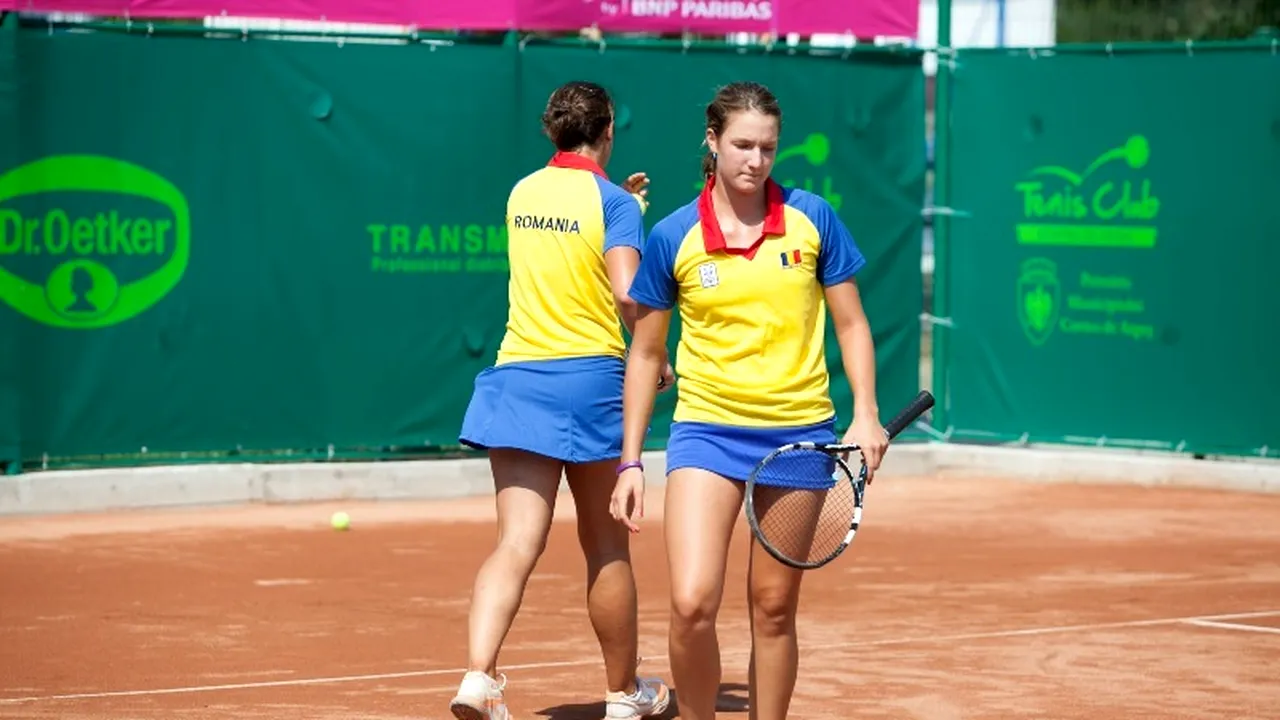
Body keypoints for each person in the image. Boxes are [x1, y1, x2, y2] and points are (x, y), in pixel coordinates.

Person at [608, 81, 890, 720]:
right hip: (707, 433)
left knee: (771, 606)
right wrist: (630, 461)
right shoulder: (674, 235)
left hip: (799, 437)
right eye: (741, 144)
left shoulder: (813, 218)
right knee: (690, 603)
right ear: (712, 141)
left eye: (767, 147)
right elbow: (647, 354)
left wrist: (867, 410)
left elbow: (851, 323)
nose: (754, 160)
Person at [451, 80, 673, 720]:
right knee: (606, 548)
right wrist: (653, 354)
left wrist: (618, 207)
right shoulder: (614, 204)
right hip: (591, 385)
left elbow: (564, 241)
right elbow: (628, 295)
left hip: (518, 379)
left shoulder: (522, 192)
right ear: (607, 131)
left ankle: (477, 678)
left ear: (553, 131)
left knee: (516, 542)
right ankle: (623, 694)